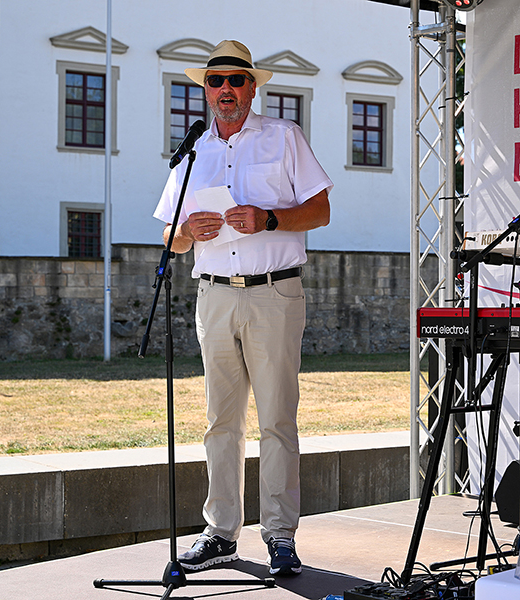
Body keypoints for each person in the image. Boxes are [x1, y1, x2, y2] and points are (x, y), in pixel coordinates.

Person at [153, 39, 332, 576]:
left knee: (277, 418)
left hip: (274, 292)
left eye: (236, 80)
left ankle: (279, 534)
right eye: (216, 82)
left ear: (253, 86)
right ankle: (220, 532)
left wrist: (270, 219)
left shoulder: (284, 137)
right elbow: (169, 236)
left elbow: (321, 210)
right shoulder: (192, 152)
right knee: (219, 421)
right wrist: (185, 231)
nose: (225, 90)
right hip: (213, 293)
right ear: (205, 91)